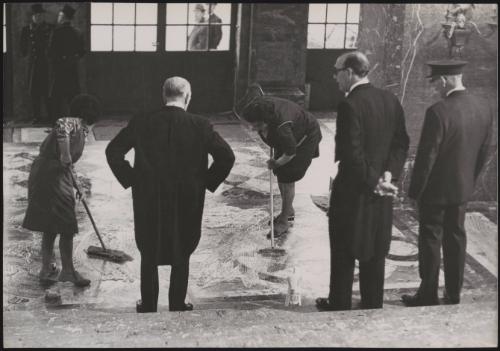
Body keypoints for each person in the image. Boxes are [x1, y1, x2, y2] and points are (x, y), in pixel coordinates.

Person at [105, 76, 235, 313]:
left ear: (163, 96)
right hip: (187, 196)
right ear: (188, 97)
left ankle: (148, 305)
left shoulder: (142, 121)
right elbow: (226, 157)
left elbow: (113, 150)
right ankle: (177, 304)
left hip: (148, 195)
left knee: (148, 246)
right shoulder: (201, 124)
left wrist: (132, 178)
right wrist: (205, 181)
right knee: (182, 246)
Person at [316, 51, 409, 311]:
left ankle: (340, 302)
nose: (334, 77)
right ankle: (371, 302)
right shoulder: (390, 99)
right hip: (382, 191)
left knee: (344, 248)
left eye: (336, 71)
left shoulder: (349, 105)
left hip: (353, 191)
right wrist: (389, 174)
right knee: (375, 247)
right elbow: (401, 143)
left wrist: (374, 181)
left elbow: (352, 154)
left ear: (349, 72)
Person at [401, 60, 493, 307]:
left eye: (435, 84)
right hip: (462, 188)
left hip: (435, 191)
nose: (435, 89)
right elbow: (484, 152)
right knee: (456, 238)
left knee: (430, 239)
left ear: (444, 80)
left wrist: (415, 191)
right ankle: (453, 294)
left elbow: (427, 156)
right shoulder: (484, 108)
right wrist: (469, 183)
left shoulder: (438, 111)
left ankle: (428, 294)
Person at [22, 94, 101, 287]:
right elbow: (61, 124)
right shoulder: (73, 123)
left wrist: (78, 186)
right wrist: (65, 153)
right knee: (66, 223)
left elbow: (68, 165)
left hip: (49, 174)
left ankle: (47, 268)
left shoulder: (80, 131)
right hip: (51, 176)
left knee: (51, 225)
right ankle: (67, 271)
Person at [235, 83, 322, 238]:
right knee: (281, 174)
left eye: (252, 126)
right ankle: (288, 211)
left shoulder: (282, 128)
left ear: (263, 122)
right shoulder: (261, 106)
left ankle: (284, 221)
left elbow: (290, 152)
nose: (249, 128)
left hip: (304, 138)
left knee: (287, 176)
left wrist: (276, 163)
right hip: (291, 134)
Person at [48, 5, 85, 123]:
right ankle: (76, 122)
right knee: (73, 97)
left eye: (59, 15)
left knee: (56, 98)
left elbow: (50, 52)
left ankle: (56, 123)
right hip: (72, 69)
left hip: (59, 70)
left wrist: (59, 61)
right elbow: (82, 52)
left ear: (63, 17)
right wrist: (72, 59)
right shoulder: (78, 32)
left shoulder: (57, 32)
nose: (58, 17)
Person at [20, 4, 54, 124]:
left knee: (47, 91)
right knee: (34, 91)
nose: (38, 17)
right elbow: (23, 48)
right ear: (32, 17)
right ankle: (36, 116)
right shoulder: (26, 29)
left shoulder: (50, 28)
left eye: (40, 14)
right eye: (36, 15)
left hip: (46, 64)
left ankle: (50, 116)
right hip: (33, 65)